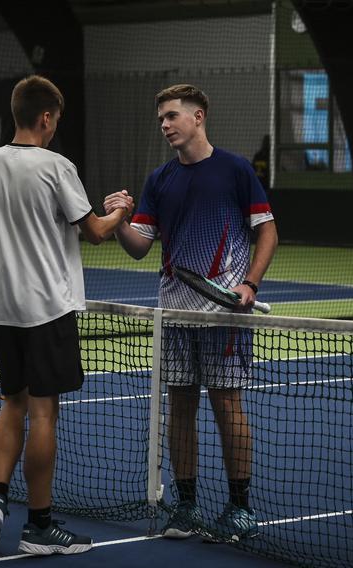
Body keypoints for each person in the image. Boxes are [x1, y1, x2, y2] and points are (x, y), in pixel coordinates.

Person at [0, 75, 133, 556]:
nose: (55, 127)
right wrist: (120, 209)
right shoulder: (58, 167)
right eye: (55, 119)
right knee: (43, 411)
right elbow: (97, 232)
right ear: (45, 118)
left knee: (11, 403)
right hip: (47, 309)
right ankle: (39, 525)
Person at [103, 84, 278, 542]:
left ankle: (239, 508)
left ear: (198, 117)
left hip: (224, 317)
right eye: (161, 118)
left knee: (226, 404)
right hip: (175, 316)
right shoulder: (159, 179)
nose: (165, 124)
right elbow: (140, 248)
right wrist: (120, 220)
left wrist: (249, 284)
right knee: (180, 406)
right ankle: (186, 507)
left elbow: (268, 233)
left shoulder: (236, 170)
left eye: (172, 116)